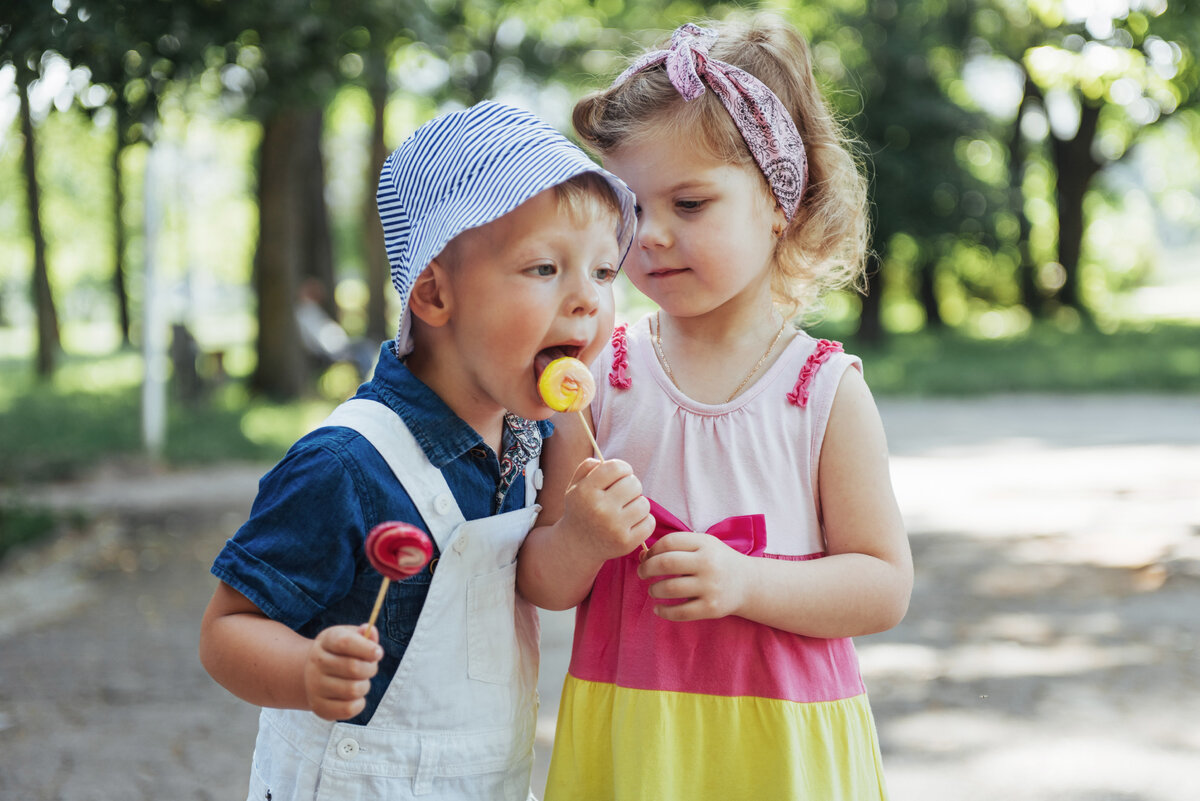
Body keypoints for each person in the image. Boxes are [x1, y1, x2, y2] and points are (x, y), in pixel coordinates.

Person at [199, 101, 647, 801]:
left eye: (602, 271)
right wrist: (306, 670)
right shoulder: (346, 463)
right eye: (543, 268)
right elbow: (227, 629)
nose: (587, 301)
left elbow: (546, 583)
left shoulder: (527, 435)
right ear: (436, 294)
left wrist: (586, 531)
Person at [517, 18, 913, 800]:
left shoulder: (822, 391)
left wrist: (745, 583)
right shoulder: (599, 378)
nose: (653, 235)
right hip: (634, 740)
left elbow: (882, 586)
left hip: (780, 747)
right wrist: (585, 538)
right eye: (631, 207)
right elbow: (545, 581)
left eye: (690, 203)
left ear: (780, 205)